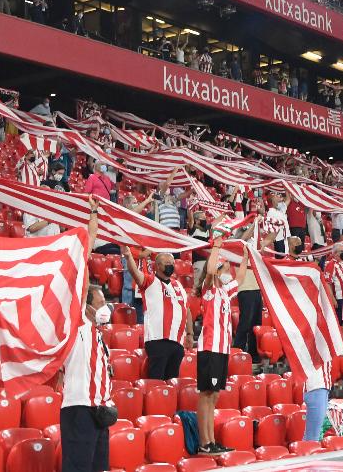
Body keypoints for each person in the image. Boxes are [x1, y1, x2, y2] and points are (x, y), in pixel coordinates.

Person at [60, 201, 113, 472]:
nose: (105, 307)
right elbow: (83, 262)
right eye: (100, 301)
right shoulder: (78, 321)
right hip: (80, 407)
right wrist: (93, 218)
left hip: (100, 407)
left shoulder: (97, 333)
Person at [195, 239, 248, 455]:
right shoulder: (209, 288)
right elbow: (209, 270)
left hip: (222, 348)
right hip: (209, 347)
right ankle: (204, 442)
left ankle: (212, 440)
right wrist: (216, 247)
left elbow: (242, 277)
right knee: (206, 394)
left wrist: (246, 256)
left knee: (214, 395)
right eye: (225, 266)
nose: (229, 270)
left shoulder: (226, 291)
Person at [123, 248, 192, 380]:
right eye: (167, 263)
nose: (170, 265)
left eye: (172, 263)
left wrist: (190, 333)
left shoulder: (178, 284)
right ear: (158, 265)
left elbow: (187, 309)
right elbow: (135, 273)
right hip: (157, 340)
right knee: (156, 382)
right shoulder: (150, 281)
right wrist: (128, 257)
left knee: (172, 384)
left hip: (177, 342)